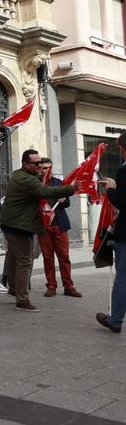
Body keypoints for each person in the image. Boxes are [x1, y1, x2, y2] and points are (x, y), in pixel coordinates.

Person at [0, 149, 77, 313]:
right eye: (36, 163)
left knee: (14, 258)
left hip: (13, 223)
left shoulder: (20, 174)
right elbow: (45, 192)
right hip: (19, 225)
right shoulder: (28, 180)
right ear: (25, 164)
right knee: (24, 261)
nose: (40, 166)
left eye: (41, 162)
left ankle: (14, 290)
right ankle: (22, 300)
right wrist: (71, 188)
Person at [38, 158, 81, 298]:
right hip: (44, 226)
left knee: (64, 257)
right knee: (48, 257)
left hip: (60, 225)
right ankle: (51, 286)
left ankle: (68, 286)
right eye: (45, 168)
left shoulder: (59, 183)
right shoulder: (36, 184)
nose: (48, 170)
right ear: (39, 169)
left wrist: (63, 201)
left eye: (50, 167)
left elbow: (67, 203)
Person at [97, 132, 126, 333]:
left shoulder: (124, 171)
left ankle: (115, 320)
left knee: (123, 278)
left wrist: (110, 189)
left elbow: (121, 201)